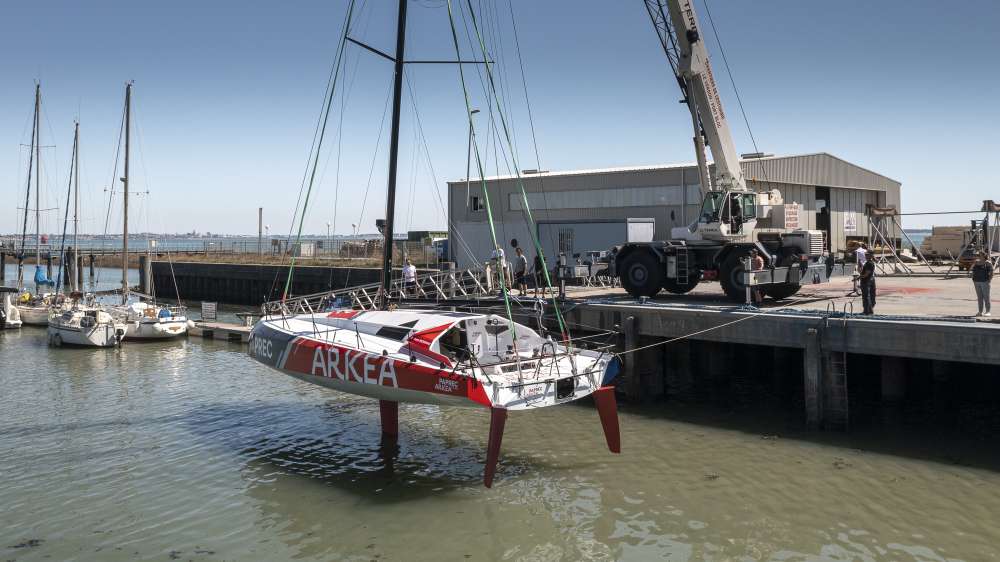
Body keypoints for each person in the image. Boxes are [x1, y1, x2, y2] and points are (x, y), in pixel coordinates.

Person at [971, 252, 993, 317]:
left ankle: (988, 311)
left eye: (980, 255)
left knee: (986, 297)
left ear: (984, 256)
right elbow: (971, 270)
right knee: (979, 297)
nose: (978, 256)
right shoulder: (976, 262)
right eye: (978, 255)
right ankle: (980, 311)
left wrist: (989, 280)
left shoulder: (988, 263)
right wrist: (974, 263)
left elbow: (992, 272)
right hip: (976, 281)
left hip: (985, 281)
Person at [859, 249, 876, 315]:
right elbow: (863, 272)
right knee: (868, 296)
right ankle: (868, 311)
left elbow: (866, 274)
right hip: (869, 281)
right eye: (865, 255)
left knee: (866, 297)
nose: (865, 256)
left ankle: (867, 311)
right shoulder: (867, 263)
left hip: (867, 282)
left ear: (870, 255)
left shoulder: (869, 263)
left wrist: (859, 277)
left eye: (867, 255)